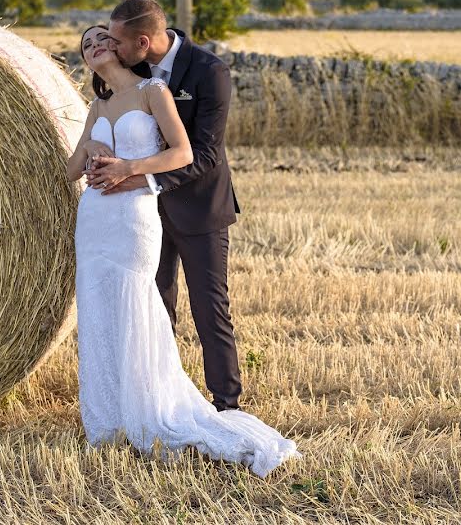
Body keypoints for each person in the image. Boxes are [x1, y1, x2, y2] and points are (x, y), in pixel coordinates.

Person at [66, 24, 301, 478]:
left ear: (122, 47)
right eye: (87, 44)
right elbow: (70, 170)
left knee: (148, 305)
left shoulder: (154, 90)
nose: (95, 47)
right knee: (100, 312)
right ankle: (110, 417)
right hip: (95, 220)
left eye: (102, 39)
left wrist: (130, 169)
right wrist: (91, 143)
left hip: (135, 213)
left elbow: (186, 152)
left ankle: (162, 406)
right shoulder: (97, 103)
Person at [85, 0, 243, 414]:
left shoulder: (210, 72)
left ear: (142, 41)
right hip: (140, 215)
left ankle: (227, 404)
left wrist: (141, 176)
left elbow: (205, 154)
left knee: (210, 309)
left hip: (198, 209)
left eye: (116, 41)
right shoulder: (133, 69)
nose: (111, 48)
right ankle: (160, 400)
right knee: (154, 307)